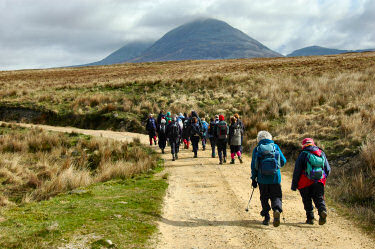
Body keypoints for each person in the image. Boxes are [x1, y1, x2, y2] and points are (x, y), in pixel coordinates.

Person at [291, 138, 331, 225]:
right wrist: (323, 178)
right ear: (313, 144)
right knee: (319, 198)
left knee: (307, 200)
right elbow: (327, 169)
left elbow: (297, 170)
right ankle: (322, 211)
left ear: (303, 145)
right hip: (318, 181)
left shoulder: (303, 154)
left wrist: (294, 185)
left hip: (304, 182)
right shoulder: (321, 153)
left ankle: (310, 218)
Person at [251, 131, 286, 227]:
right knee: (276, 196)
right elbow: (283, 161)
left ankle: (266, 217)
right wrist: (277, 167)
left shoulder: (257, 149)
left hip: (262, 179)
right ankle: (276, 210)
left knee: (264, 197)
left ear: (258, 139)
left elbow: (253, 166)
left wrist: (253, 178)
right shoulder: (275, 147)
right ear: (270, 138)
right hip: (275, 178)